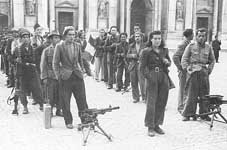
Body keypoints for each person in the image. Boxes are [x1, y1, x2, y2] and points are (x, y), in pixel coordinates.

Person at [53, 26, 88, 129]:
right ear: (65, 35)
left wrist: (82, 70)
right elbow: (55, 63)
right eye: (70, 35)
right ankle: (68, 121)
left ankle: (84, 119)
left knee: (82, 99)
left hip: (77, 76)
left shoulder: (77, 45)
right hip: (65, 77)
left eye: (73, 35)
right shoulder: (59, 46)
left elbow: (80, 60)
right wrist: (59, 76)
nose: (72, 37)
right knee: (65, 101)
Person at [140, 30, 171, 137]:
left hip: (163, 76)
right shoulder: (146, 51)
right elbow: (142, 68)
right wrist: (149, 77)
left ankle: (157, 124)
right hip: (152, 76)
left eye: (159, 38)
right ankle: (150, 126)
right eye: (155, 38)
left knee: (162, 101)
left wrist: (167, 62)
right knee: (151, 102)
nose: (157, 40)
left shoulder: (164, 50)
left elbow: (169, 62)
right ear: (151, 39)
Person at [181, 28, 215, 121]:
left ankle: (204, 113)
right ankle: (187, 114)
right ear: (196, 36)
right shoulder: (191, 46)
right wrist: (187, 69)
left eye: (203, 36)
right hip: (193, 72)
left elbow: (212, 60)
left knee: (205, 94)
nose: (201, 38)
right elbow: (184, 59)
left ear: (206, 37)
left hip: (204, 73)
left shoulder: (209, 47)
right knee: (191, 94)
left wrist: (209, 70)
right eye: (199, 36)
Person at [12, 28, 44, 114]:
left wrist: (27, 62)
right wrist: (18, 61)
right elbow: (13, 60)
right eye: (24, 37)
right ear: (21, 39)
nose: (26, 39)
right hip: (22, 73)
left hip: (33, 72)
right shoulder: (17, 49)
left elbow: (35, 59)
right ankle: (25, 107)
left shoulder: (33, 48)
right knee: (22, 90)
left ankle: (41, 104)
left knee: (37, 88)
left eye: (27, 37)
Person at [40, 30, 63, 116]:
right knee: (50, 95)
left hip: (60, 75)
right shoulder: (47, 51)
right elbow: (43, 64)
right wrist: (44, 77)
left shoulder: (62, 49)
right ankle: (50, 111)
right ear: (50, 39)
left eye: (58, 38)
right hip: (50, 76)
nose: (56, 39)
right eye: (54, 38)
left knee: (60, 94)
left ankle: (59, 110)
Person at [173, 29, 194, 114]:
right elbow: (175, 57)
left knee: (187, 88)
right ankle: (181, 107)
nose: (193, 35)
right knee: (182, 89)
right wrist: (181, 67)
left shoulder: (188, 43)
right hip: (183, 71)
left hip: (187, 70)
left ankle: (184, 106)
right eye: (192, 34)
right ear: (189, 35)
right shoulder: (183, 44)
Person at [127, 32, 146, 103]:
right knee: (133, 82)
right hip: (133, 66)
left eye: (138, 36)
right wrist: (132, 55)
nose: (137, 38)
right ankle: (135, 97)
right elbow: (127, 55)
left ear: (141, 37)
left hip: (141, 66)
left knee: (142, 83)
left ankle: (144, 97)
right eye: (136, 36)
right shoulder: (131, 46)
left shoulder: (145, 46)